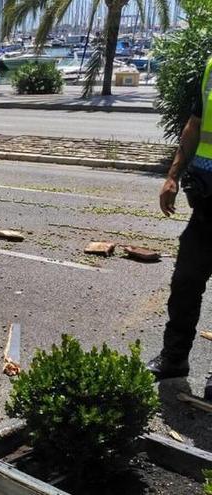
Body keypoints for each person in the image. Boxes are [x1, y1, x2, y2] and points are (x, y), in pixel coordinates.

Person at [147, 57, 212, 398]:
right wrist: (172, 176)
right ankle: (174, 358)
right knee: (185, 283)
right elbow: (195, 123)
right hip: (206, 203)